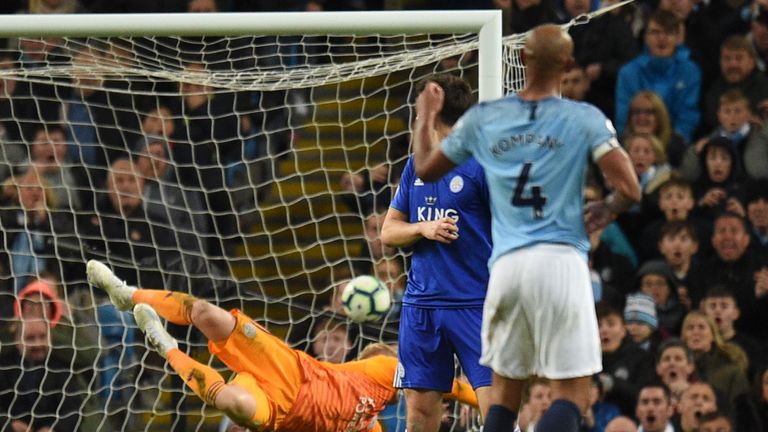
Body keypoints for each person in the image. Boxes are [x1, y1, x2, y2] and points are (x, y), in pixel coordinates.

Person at [411, 24, 641, 432]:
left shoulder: (486, 117)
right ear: (569, 65)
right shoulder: (584, 117)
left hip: (506, 266)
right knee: (572, 394)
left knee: (504, 396)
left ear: (521, 59)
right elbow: (629, 188)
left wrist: (426, 115)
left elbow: (427, 170)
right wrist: (606, 208)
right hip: (561, 260)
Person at [86, 260, 479, 432]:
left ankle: (165, 343)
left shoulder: (371, 423)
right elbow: (451, 385)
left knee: (231, 404)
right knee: (207, 312)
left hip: (279, 414)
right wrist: (494, 403)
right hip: (290, 370)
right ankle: (129, 294)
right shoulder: (380, 373)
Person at [380, 73, 493, 432]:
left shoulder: (482, 165)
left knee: (497, 414)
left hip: (475, 303)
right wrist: (422, 228)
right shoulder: (415, 165)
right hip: (422, 306)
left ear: (433, 112)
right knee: (419, 416)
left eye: (419, 109)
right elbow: (388, 231)